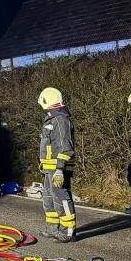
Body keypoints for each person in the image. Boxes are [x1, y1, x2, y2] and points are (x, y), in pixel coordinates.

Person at [37, 87, 76, 242]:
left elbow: (65, 147)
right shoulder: (52, 119)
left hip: (58, 168)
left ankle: (68, 232)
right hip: (49, 168)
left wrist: (60, 169)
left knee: (61, 199)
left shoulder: (61, 120)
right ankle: (53, 228)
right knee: (48, 198)